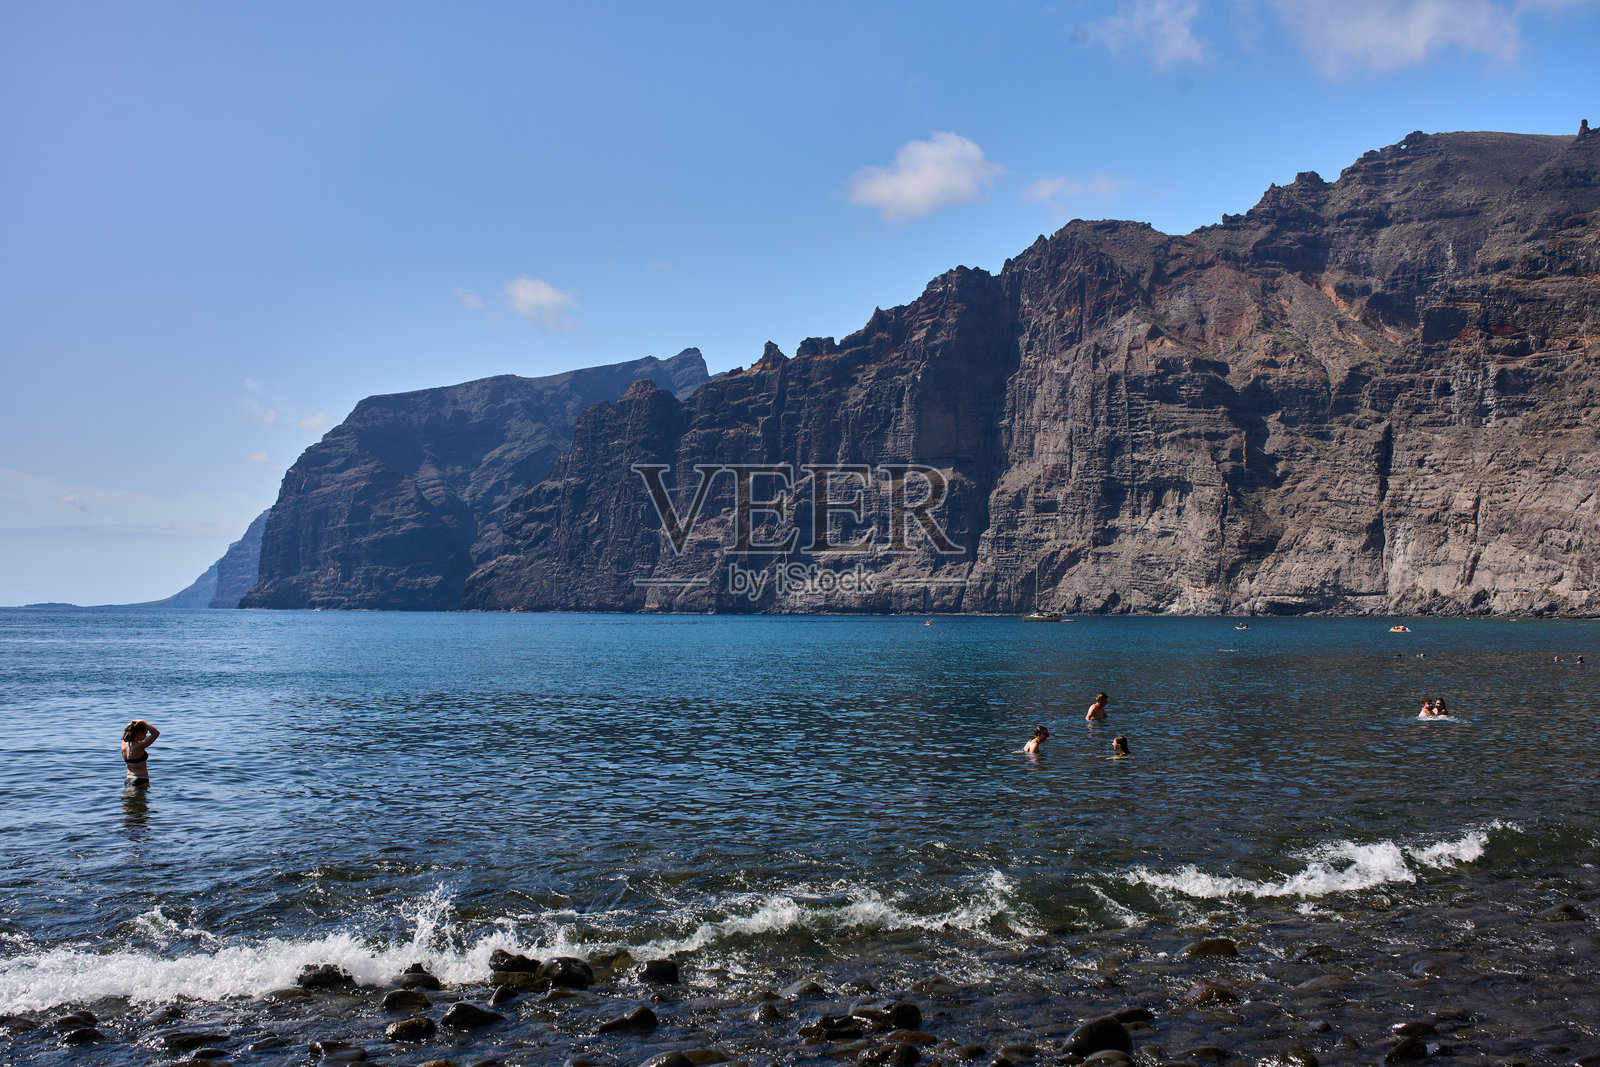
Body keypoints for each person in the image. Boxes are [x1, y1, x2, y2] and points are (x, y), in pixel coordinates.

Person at [121, 719, 159, 788]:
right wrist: (143, 721)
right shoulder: (138, 747)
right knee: (141, 799)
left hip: (128, 779)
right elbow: (156, 733)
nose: (146, 736)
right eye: (145, 733)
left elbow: (129, 727)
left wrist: (134, 722)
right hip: (140, 779)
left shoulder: (124, 743)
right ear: (140, 733)